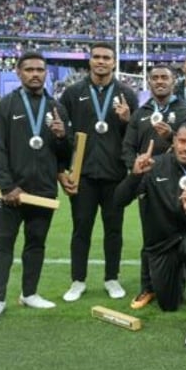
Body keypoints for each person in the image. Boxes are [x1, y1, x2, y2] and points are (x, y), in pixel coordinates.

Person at [0, 51, 71, 324]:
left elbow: (65, 155)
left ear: (46, 74)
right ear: (18, 72)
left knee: (36, 244)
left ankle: (29, 293)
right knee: (2, 245)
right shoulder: (4, 106)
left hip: (43, 191)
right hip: (9, 193)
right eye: (29, 69)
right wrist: (7, 186)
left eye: (40, 70)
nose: (35, 74)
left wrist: (61, 137)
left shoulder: (57, 108)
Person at [115, 122, 186, 347]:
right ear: (174, 141)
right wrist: (134, 175)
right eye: (182, 141)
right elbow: (119, 201)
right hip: (161, 244)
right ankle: (178, 275)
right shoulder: (153, 166)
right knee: (169, 304)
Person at [57, 42, 139, 302]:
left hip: (115, 176)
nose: (101, 61)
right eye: (97, 57)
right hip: (83, 175)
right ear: (89, 61)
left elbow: (135, 136)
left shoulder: (127, 94)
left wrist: (127, 121)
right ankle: (78, 280)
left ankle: (111, 278)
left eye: (107, 57)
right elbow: (61, 133)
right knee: (81, 229)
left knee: (113, 230)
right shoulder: (72, 93)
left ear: (114, 62)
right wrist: (64, 168)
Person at [122, 65, 186, 310]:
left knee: (183, 231)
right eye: (154, 78)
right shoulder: (140, 113)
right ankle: (148, 287)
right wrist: (137, 168)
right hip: (148, 184)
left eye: (164, 77)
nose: (159, 81)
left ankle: (183, 278)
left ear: (173, 81)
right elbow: (127, 147)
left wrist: (172, 136)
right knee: (151, 236)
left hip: (179, 182)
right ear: (149, 81)